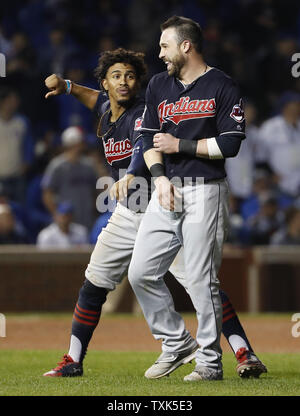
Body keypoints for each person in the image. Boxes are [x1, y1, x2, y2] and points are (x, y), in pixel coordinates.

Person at [42, 48, 266, 379]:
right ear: (105, 82)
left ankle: (244, 352)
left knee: (201, 283)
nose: (124, 81)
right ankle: (73, 359)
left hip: (159, 210)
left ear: (138, 83)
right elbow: (96, 101)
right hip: (127, 212)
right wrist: (69, 86)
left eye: (130, 76)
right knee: (94, 283)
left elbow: (139, 148)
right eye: (116, 76)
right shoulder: (108, 110)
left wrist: (132, 173)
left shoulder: (143, 113)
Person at [127, 16, 256, 382]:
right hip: (166, 189)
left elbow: (230, 143)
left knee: (201, 278)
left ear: (186, 46)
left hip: (207, 189)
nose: (160, 52)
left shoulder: (221, 85)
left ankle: (210, 363)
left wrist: (179, 145)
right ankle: (175, 343)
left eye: (165, 45)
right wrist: (159, 178)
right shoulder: (157, 85)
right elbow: (149, 139)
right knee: (140, 272)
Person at [41, 125, 99, 230]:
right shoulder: (57, 166)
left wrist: (94, 208)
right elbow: (47, 193)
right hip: (67, 218)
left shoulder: (88, 165)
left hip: (87, 217)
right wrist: (56, 214)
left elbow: (96, 190)